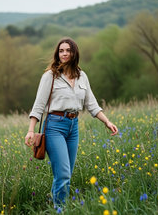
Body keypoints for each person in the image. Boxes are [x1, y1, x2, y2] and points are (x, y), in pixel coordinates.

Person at [24, 37, 118, 206]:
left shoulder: (82, 76)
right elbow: (38, 105)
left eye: (68, 50)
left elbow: (92, 104)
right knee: (64, 174)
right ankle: (60, 209)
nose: (65, 53)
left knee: (66, 172)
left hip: (73, 127)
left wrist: (107, 121)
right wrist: (31, 130)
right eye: (61, 51)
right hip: (54, 126)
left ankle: (54, 205)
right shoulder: (50, 76)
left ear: (74, 53)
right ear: (57, 53)